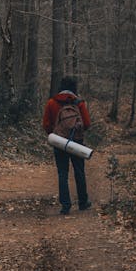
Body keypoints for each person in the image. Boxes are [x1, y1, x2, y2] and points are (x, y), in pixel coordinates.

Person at [42, 76, 92, 215]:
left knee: (62, 173)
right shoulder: (79, 103)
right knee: (79, 172)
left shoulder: (52, 103)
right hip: (77, 141)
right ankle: (83, 202)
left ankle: (65, 206)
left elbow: (46, 124)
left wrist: (54, 133)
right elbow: (87, 123)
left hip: (59, 142)